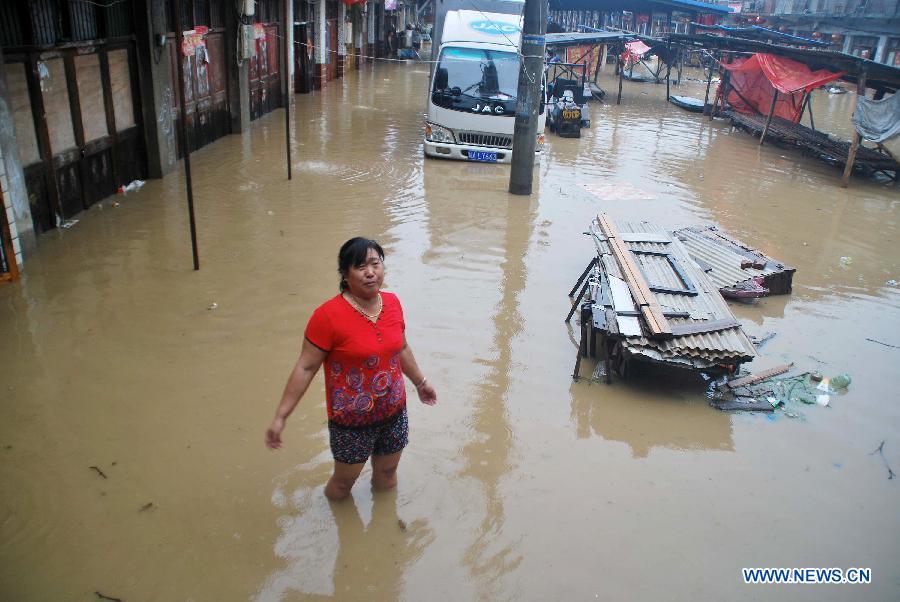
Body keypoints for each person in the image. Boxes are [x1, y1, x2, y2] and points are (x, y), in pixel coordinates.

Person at [266, 238, 437, 500]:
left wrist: (421, 383)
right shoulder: (327, 316)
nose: (370, 272)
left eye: (375, 263)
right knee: (343, 485)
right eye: (360, 266)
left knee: (388, 476)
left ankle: (384, 531)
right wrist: (281, 416)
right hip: (351, 423)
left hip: (394, 412)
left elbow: (400, 348)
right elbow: (305, 367)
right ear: (345, 275)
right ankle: (341, 532)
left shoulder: (392, 303)